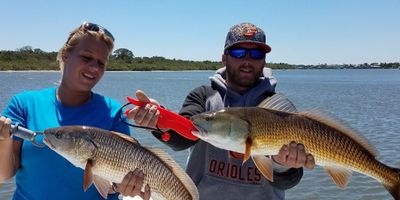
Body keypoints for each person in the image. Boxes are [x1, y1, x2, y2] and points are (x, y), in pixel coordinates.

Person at [127, 22, 316, 200]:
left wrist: (283, 165)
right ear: (224, 57)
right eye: (239, 52)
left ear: (264, 60)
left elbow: (288, 181)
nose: (248, 60)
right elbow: (184, 137)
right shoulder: (203, 96)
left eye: (256, 54)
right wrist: (159, 120)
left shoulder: (278, 108)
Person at [0, 22, 150, 200]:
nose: (94, 68)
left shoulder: (113, 112)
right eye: (86, 58)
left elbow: (111, 184)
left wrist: (123, 186)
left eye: (101, 63)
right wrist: (3, 139)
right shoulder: (24, 104)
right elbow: (4, 174)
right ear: (65, 55)